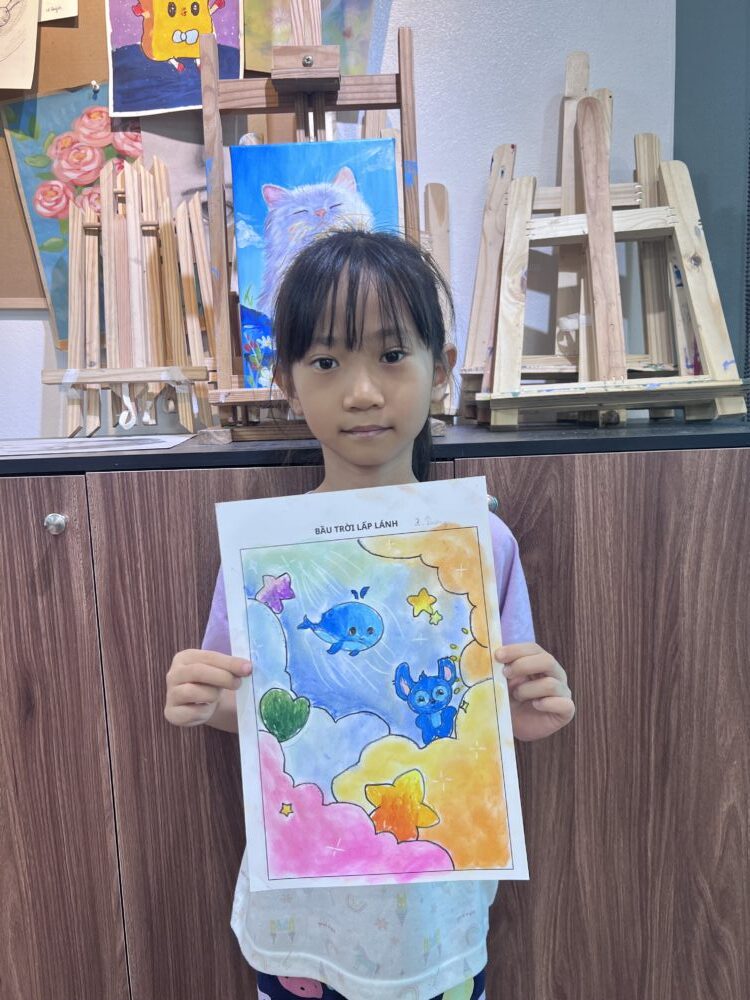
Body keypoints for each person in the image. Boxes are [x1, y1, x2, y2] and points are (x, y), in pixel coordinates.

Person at [165, 230, 575, 1000]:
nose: (361, 392)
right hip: (301, 923)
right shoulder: (262, 554)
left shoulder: (481, 543)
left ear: (439, 370)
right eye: (326, 362)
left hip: (436, 920)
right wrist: (200, 699)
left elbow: (497, 708)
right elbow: (247, 707)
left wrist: (530, 708)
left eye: (391, 355)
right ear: (286, 382)